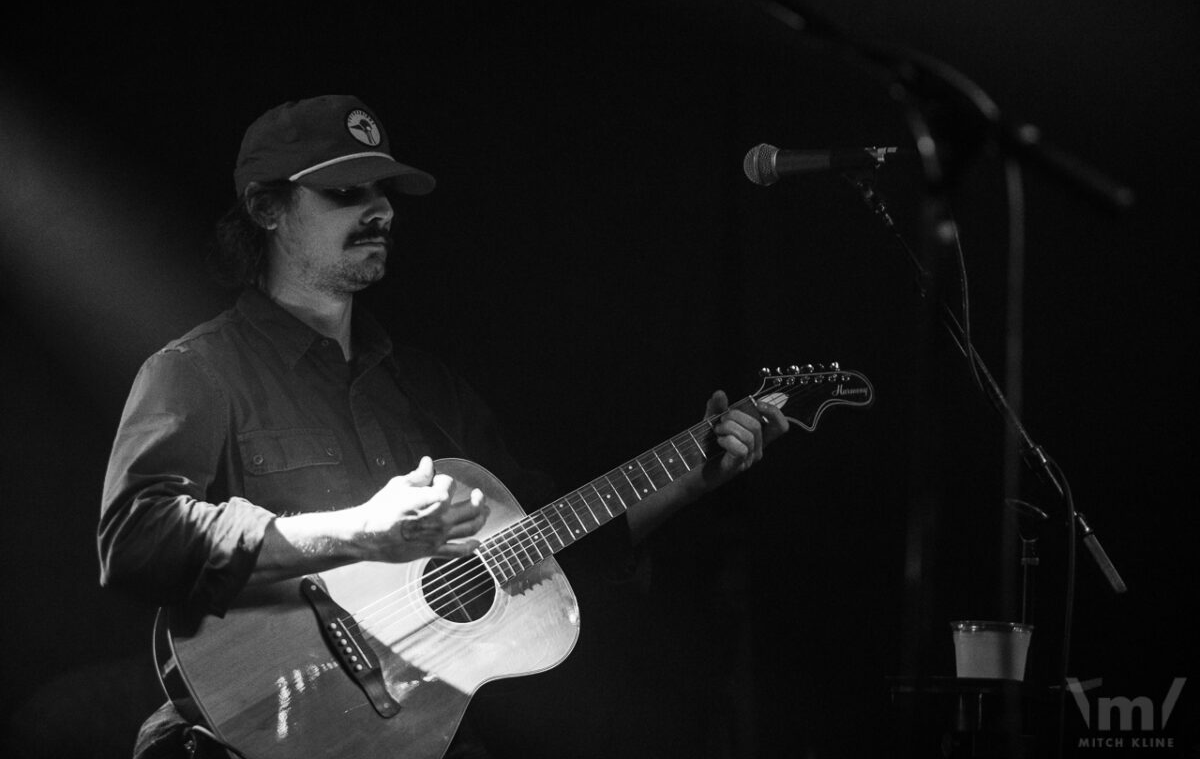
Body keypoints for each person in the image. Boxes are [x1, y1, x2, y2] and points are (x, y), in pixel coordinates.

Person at [97, 94, 788, 758]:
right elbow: (134, 538)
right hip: (239, 735)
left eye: (383, 192)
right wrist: (357, 531)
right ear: (266, 208)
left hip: (415, 734)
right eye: (346, 193)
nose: (380, 212)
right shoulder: (198, 369)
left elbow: (544, 540)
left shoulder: (424, 386)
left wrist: (687, 483)